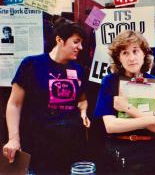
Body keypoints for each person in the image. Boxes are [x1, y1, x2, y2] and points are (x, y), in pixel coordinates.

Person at [2, 19, 90, 174]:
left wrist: (83, 112)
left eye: (81, 43)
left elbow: (82, 100)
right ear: (59, 40)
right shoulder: (32, 64)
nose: (80, 47)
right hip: (38, 147)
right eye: (76, 42)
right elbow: (14, 104)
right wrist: (13, 139)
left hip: (69, 148)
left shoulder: (78, 70)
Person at [94, 30, 155, 174]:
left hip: (150, 152)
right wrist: (153, 120)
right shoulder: (110, 81)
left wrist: (127, 108)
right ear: (118, 58)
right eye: (125, 53)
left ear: (144, 54)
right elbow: (111, 126)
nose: (131, 58)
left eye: (135, 51)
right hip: (118, 150)